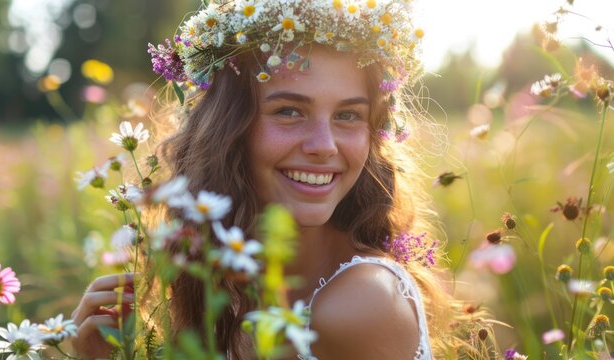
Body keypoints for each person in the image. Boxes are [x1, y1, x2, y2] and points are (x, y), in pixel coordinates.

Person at [71, 1, 495, 359]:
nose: (323, 145)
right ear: (227, 129)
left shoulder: (362, 303)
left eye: (348, 115)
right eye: (289, 111)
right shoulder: (231, 288)